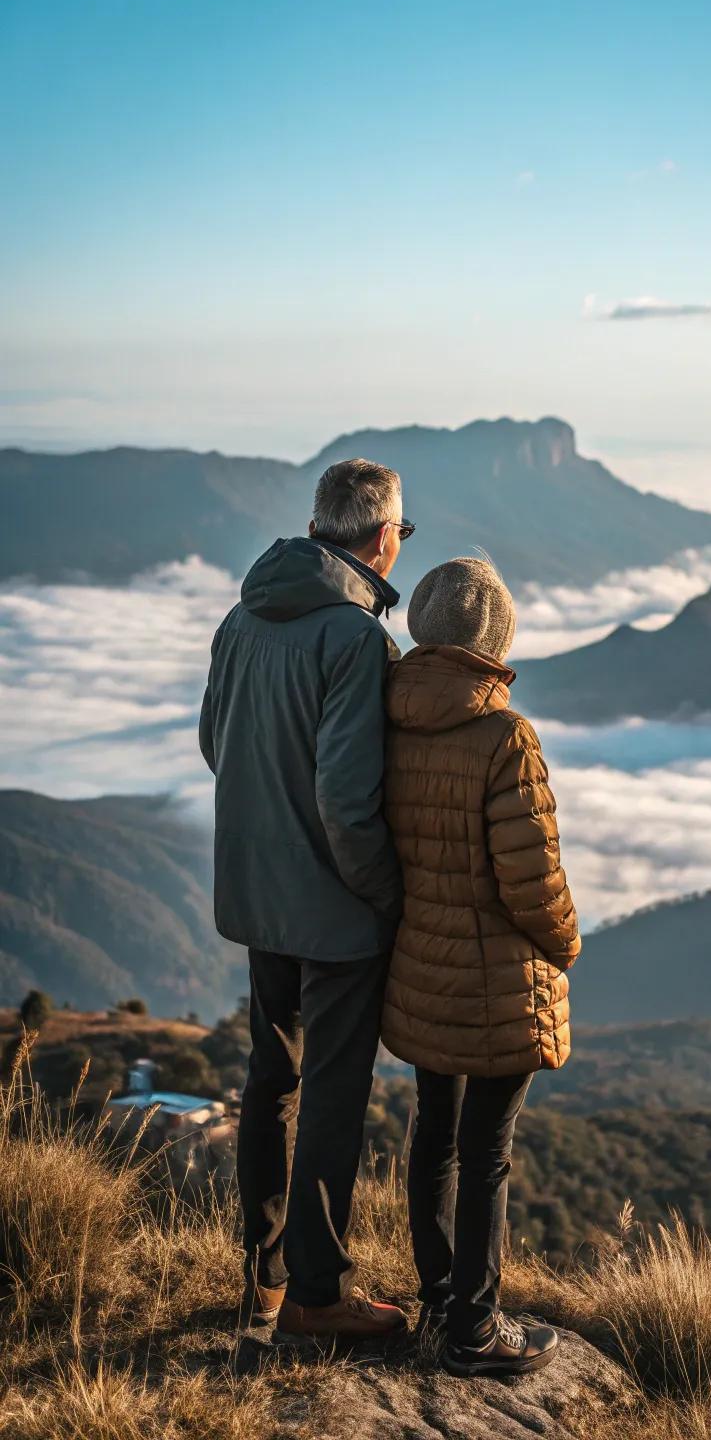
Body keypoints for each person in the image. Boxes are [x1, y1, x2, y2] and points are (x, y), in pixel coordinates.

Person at [198, 458, 414, 1343]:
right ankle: (319, 1299)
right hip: (334, 909)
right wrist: (385, 896)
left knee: (269, 1082)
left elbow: (217, 740)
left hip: (255, 891)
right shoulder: (357, 639)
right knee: (331, 1092)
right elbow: (347, 801)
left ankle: (265, 1278)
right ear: (382, 535)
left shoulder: (243, 614)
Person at [381, 557, 581, 1377]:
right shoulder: (506, 735)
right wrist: (564, 945)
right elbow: (531, 881)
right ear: (495, 638)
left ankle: (438, 1301)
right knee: (487, 1151)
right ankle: (473, 1332)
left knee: (434, 1134)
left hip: (419, 968)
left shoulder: (383, 717)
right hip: (497, 978)